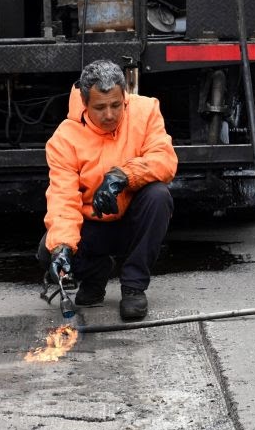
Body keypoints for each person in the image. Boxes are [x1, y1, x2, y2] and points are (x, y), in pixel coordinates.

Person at [38, 60, 177, 321]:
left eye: (116, 105)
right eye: (100, 108)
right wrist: (64, 247)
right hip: (94, 226)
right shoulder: (64, 139)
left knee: (159, 196)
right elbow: (63, 198)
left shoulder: (146, 111)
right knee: (49, 251)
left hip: (133, 222)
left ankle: (133, 287)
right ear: (84, 103)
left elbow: (165, 160)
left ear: (124, 97)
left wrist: (123, 176)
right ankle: (95, 274)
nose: (110, 114)